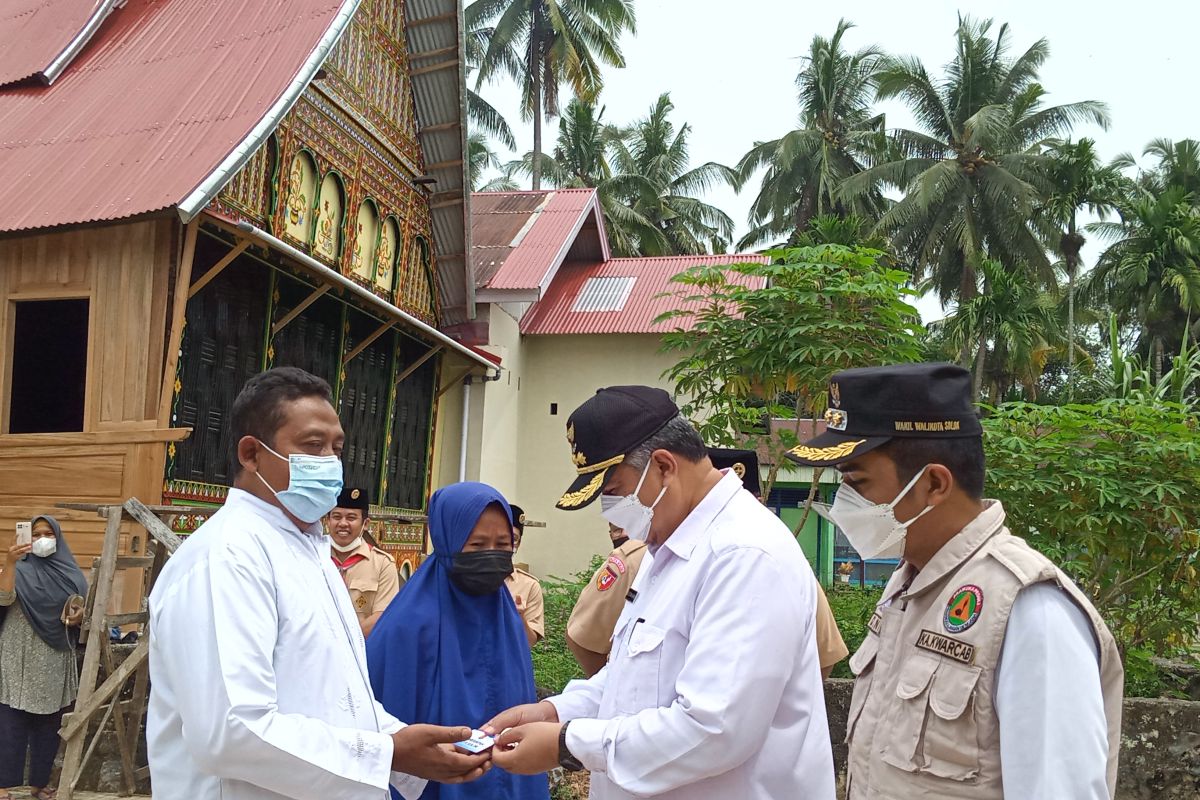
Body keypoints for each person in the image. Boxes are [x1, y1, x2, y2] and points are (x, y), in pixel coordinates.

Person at [147, 367, 490, 800]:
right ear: (252, 454)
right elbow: (232, 729)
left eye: (336, 448)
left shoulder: (312, 552)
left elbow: (338, 699)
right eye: (313, 446)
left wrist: (404, 740)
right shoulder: (228, 557)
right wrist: (386, 754)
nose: (330, 462)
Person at [786, 363, 1124, 800]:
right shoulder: (908, 584)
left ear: (933, 484)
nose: (844, 502)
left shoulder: (1027, 609)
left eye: (857, 483)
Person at [484, 386, 836, 799]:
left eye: (614, 491)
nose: (610, 509)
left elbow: (713, 728)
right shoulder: (666, 545)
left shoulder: (743, 554)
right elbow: (631, 678)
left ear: (664, 466)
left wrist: (567, 743)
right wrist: (556, 711)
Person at [567, 450, 849, 680]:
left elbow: (822, 655)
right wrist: (615, 698)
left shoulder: (767, 556)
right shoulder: (643, 555)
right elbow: (586, 637)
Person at [366, 483, 550, 800]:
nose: (491, 555)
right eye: (477, 544)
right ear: (447, 540)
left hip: (506, 778)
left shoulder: (506, 617)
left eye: (502, 544)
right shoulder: (406, 625)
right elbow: (383, 726)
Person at [0, 515, 87, 800]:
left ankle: (39, 784)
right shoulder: (17, 570)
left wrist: (78, 615)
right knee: (10, 722)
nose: (41, 539)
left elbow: (82, 606)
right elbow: (4, 598)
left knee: (50, 723)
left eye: (48, 533)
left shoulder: (70, 573)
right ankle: (3, 785)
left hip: (53, 656)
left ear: (58, 538)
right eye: (35, 534)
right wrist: (10, 563)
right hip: (18, 654)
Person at [564, 523, 648, 678]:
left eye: (627, 525)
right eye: (615, 529)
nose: (622, 534)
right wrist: (611, 684)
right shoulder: (633, 558)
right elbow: (582, 635)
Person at [328, 486, 402, 638]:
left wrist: (344, 641)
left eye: (351, 518)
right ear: (327, 520)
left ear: (366, 523)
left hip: (360, 652)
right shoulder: (314, 556)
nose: (342, 523)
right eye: (336, 516)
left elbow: (382, 616)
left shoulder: (382, 564)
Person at [504, 505, 545, 648]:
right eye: (503, 536)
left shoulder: (529, 585)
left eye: (514, 538)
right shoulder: (469, 577)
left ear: (519, 544)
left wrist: (519, 617)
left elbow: (529, 642)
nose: (507, 543)